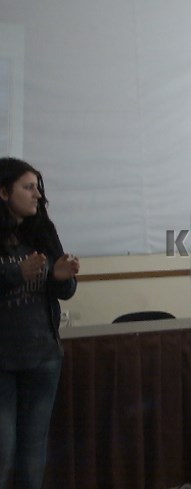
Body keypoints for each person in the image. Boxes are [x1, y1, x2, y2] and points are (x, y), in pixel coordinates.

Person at [0, 157, 80, 489]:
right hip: (3, 361)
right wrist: (16, 273)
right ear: (4, 192)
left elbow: (66, 291)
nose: (37, 195)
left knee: (33, 451)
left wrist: (62, 278)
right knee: (3, 451)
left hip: (43, 357)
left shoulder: (42, 231)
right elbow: (14, 276)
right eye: (28, 187)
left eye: (37, 188)